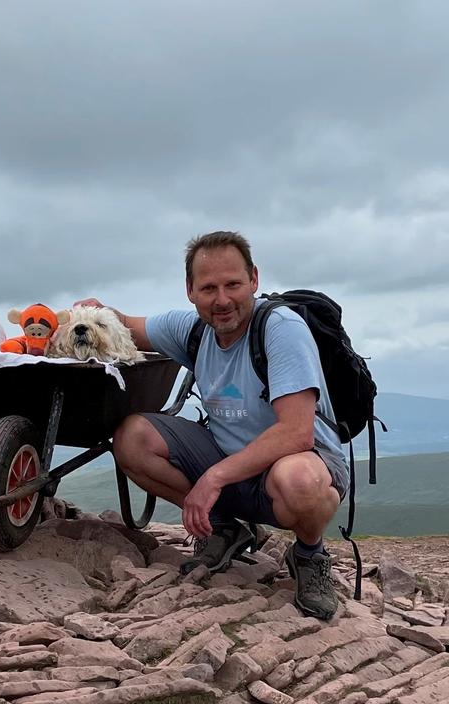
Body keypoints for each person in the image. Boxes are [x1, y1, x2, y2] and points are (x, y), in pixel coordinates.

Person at [78, 231, 349, 620]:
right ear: (190, 290)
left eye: (233, 284)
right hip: (230, 460)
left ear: (254, 279)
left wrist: (213, 478)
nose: (222, 300)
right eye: (208, 288)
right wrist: (93, 312)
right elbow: (123, 325)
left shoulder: (281, 329)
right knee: (131, 438)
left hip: (298, 463)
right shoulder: (191, 329)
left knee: (300, 482)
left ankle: (309, 554)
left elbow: (296, 433)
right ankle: (223, 528)